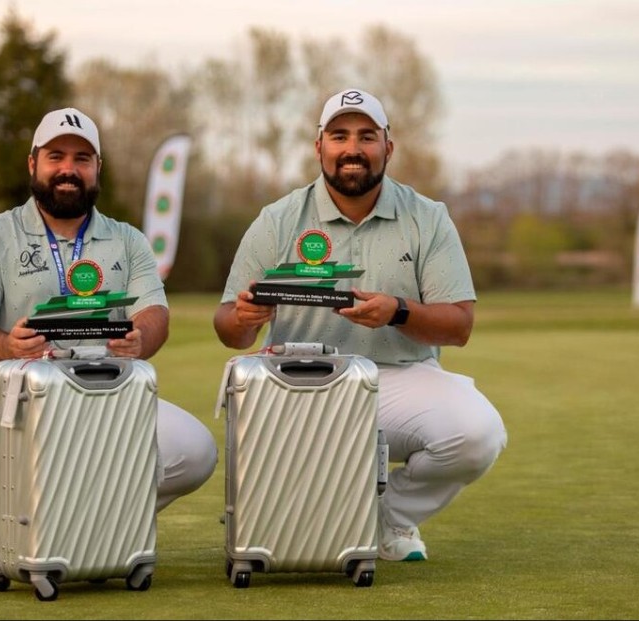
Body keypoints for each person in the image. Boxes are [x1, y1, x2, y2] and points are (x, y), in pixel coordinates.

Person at [213, 88, 507, 562]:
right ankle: (294, 520)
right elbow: (228, 325)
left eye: (367, 136)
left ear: (387, 147)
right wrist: (245, 320)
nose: (353, 148)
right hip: (297, 382)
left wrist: (400, 310)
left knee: (477, 434)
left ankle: (387, 519)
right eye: (339, 135)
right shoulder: (278, 219)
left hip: (398, 378)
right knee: (293, 528)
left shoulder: (427, 218)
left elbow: (459, 326)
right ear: (319, 148)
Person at [0, 107, 218, 570]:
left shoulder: (128, 240)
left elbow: (154, 313)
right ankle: (3, 530)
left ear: (97, 169)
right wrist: (7, 346)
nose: (68, 169)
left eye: (82, 158)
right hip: (11, 392)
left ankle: (101, 526)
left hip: (105, 390)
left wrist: (140, 340)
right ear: (33, 164)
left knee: (196, 451)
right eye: (56, 156)